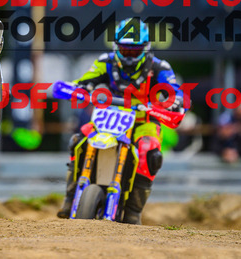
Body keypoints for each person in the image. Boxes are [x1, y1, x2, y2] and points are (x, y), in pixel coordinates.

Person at [56, 18, 185, 224]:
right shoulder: (105, 61)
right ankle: (70, 198)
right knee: (79, 140)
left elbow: (173, 91)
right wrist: (77, 88)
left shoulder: (160, 67)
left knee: (149, 152)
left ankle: (133, 211)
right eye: (125, 50)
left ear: (145, 48)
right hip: (109, 117)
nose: (129, 55)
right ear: (116, 47)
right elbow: (85, 81)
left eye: (134, 51)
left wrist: (174, 101)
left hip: (144, 121)